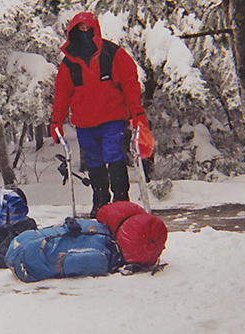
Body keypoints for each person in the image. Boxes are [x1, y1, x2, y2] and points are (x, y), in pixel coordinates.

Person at [50, 12, 150, 218]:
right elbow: (62, 94)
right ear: (73, 33)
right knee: (94, 161)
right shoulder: (69, 63)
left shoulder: (113, 54)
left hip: (112, 117)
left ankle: (121, 199)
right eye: (80, 30)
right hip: (84, 122)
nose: (84, 33)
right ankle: (101, 200)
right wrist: (56, 121)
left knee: (114, 156)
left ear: (95, 30)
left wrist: (137, 114)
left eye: (88, 29)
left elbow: (131, 85)